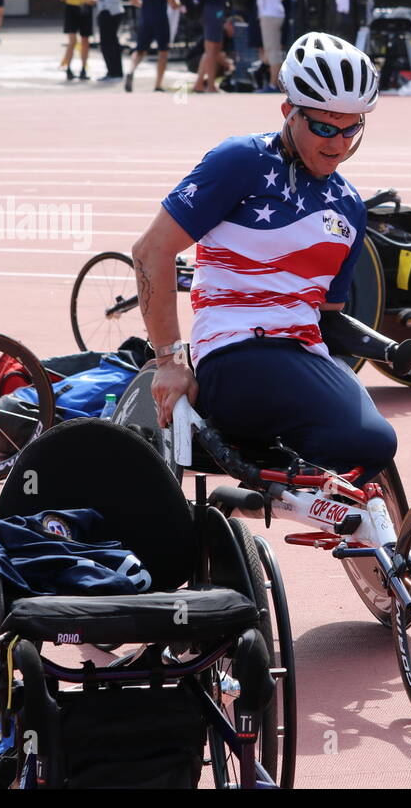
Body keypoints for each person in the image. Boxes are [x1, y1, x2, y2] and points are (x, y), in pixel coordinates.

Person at [132, 31, 395, 483]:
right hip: (235, 351)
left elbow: (327, 318)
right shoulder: (242, 161)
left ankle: (282, 488)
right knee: (372, 440)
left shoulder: (350, 206)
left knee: (372, 447)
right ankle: (256, 474)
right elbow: (150, 252)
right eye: (324, 127)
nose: (338, 144)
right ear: (288, 112)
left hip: (302, 353)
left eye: (352, 128)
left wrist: (390, 349)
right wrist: (170, 363)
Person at [126, 0, 180, 93]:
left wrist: (145, 5)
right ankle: (158, 84)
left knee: (140, 49)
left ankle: (131, 70)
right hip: (161, 19)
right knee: (163, 51)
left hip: (145, 18)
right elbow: (172, 4)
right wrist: (180, 5)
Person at [58, 0, 99, 81]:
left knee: (85, 41)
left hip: (86, 9)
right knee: (72, 41)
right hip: (72, 9)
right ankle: (68, 67)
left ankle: (83, 68)